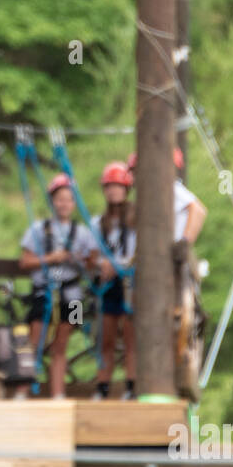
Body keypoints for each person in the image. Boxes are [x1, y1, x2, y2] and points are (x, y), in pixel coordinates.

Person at [17, 174, 98, 399]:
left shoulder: (82, 233)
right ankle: (24, 389)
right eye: (59, 199)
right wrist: (51, 258)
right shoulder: (39, 229)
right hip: (44, 292)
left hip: (73, 297)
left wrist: (80, 260)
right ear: (52, 201)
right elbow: (25, 261)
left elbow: (92, 264)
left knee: (62, 343)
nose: (64, 204)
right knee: (35, 341)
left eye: (68, 199)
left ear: (74, 203)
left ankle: (58, 392)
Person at [90, 161, 136, 400]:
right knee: (105, 338)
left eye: (118, 186)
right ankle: (103, 386)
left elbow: (142, 252)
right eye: (109, 187)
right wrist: (102, 265)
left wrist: (121, 265)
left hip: (129, 283)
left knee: (130, 337)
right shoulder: (98, 223)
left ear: (126, 189)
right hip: (107, 285)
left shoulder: (137, 220)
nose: (113, 191)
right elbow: (90, 256)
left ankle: (131, 385)